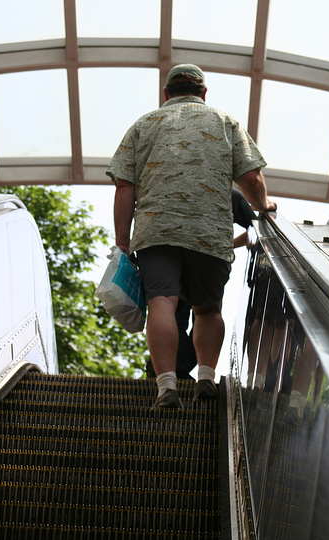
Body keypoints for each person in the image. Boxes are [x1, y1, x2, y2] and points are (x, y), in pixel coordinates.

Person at [107, 63, 276, 408]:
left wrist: (122, 242)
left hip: (156, 232)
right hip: (209, 233)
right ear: (203, 93)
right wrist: (265, 205)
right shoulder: (225, 122)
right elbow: (251, 179)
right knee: (207, 310)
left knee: (161, 303)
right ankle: (206, 378)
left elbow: (125, 186)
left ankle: (167, 387)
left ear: (166, 93)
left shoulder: (143, 124)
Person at [145, 188, 258, 380]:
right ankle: (202, 376)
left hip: (168, 259)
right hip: (208, 260)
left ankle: (165, 376)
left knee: (170, 313)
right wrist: (228, 244)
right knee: (207, 314)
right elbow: (256, 229)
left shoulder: (166, 181)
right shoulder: (228, 193)